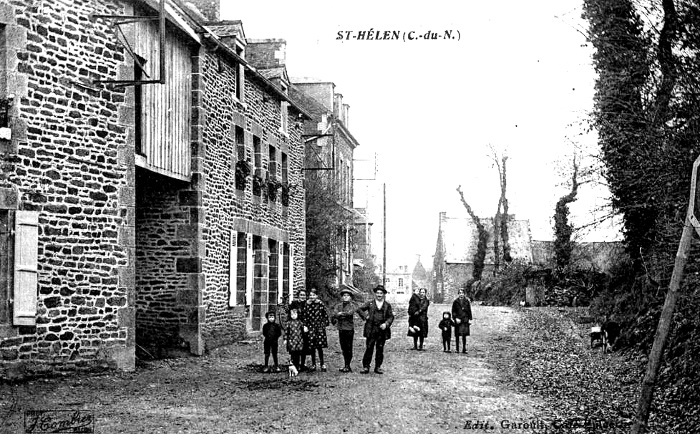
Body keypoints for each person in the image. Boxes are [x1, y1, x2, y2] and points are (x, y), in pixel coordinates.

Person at [356, 285, 395, 374]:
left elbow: (391, 316)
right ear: (375, 294)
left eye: (381, 293)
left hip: (382, 330)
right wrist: (365, 316)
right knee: (369, 347)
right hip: (371, 329)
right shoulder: (370, 303)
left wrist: (386, 324)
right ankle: (366, 366)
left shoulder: (387, 305)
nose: (379, 295)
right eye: (377, 293)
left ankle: (378, 367)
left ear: (384, 294)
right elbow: (359, 309)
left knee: (380, 349)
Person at [303, 288, 330, 372]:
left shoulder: (320, 304)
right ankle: (313, 364)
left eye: (313, 295)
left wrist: (324, 324)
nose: (312, 297)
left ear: (317, 296)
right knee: (312, 346)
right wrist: (305, 325)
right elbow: (305, 316)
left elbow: (325, 314)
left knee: (319, 346)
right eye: (310, 295)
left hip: (319, 327)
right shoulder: (307, 304)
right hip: (310, 327)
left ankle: (322, 364)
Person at [332, 288, 356, 373]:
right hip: (341, 329)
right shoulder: (338, 305)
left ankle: (347, 365)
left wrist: (340, 314)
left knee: (349, 347)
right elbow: (334, 313)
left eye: (347, 295)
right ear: (342, 297)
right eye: (344, 295)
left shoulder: (352, 306)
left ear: (350, 297)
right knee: (343, 347)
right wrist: (338, 315)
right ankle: (345, 365)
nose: (345, 297)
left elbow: (350, 313)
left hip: (349, 329)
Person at [451, 289, 473, 354]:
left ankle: (464, 349)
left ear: (464, 294)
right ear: (458, 294)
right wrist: (455, 318)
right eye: (460, 293)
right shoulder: (455, 302)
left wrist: (469, 319)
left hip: (465, 320)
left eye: (462, 293)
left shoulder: (467, 301)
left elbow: (469, 310)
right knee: (457, 335)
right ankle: (457, 349)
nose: (461, 294)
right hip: (458, 320)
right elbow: (453, 311)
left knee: (464, 335)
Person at [284, 307, 305, 372]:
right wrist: (285, 339)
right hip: (291, 340)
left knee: (298, 354)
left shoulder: (300, 322)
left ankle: (298, 365)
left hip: (299, 340)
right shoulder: (288, 323)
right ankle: (293, 366)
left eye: (295, 314)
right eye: (292, 315)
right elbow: (286, 332)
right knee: (293, 354)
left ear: (297, 315)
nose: (293, 316)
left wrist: (305, 328)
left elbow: (303, 328)